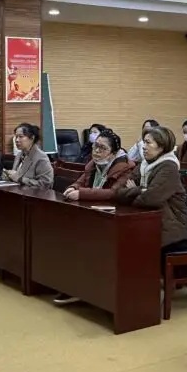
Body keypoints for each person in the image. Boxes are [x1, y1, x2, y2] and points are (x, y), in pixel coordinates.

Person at [55, 129, 133, 305]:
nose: (96, 151)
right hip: (91, 213)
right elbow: (81, 181)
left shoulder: (126, 168)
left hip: (113, 218)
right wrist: (74, 187)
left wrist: (82, 193)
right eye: (95, 146)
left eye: (102, 148)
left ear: (113, 153)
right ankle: (70, 285)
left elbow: (113, 193)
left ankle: (84, 288)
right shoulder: (93, 164)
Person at [114, 126, 187, 260]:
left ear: (161, 147)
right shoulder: (144, 164)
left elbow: (150, 199)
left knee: (130, 248)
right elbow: (118, 192)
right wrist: (141, 189)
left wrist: (135, 192)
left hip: (170, 232)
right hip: (149, 225)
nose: (143, 147)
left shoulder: (169, 167)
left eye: (148, 143)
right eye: (143, 142)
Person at [4, 123, 53, 188]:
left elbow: (46, 184)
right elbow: (14, 177)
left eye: (21, 136)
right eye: (16, 136)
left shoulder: (41, 158)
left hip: (33, 193)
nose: (17, 140)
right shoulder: (19, 155)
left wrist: (20, 179)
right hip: (17, 191)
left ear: (32, 138)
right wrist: (8, 175)